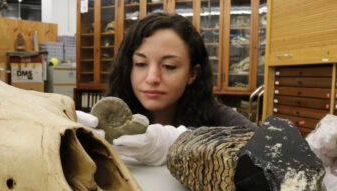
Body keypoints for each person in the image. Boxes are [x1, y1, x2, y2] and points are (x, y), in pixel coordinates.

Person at [78, 12, 256, 166]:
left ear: (192, 74)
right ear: (128, 67)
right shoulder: (106, 120)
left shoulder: (218, 117)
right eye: (140, 64)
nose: (152, 78)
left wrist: (183, 141)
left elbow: (274, 153)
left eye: (169, 66)